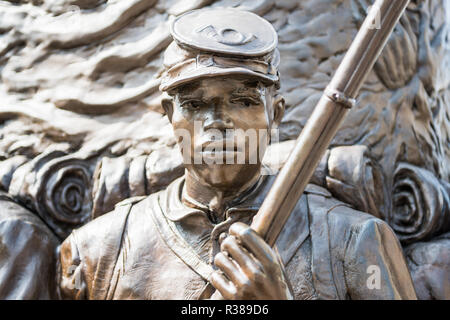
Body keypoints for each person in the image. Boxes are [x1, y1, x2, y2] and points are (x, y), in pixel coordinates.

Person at [58, 8, 417, 300]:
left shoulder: (356, 242)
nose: (218, 122)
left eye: (243, 101)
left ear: (275, 113)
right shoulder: (97, 253)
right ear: (169, 114)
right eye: (195, 104)